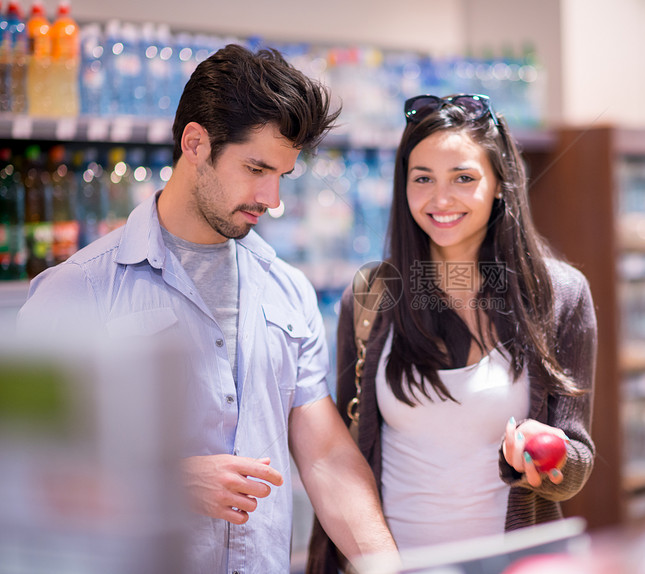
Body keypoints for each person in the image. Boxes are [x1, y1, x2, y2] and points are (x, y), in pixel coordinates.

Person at [17, 44, 396, 573]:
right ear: (195, 143)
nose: (272, 197)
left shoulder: (288, 289)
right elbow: (28, 476)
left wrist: (389, 567)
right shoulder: (76, 290)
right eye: (256, 168)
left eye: (282, 174)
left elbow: (326, 458)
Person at [307, 94, 597, 571]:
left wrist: (548, 454)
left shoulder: (559, 294)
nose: (441, 200)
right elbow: (345, 453)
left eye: (463, 178)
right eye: (423, 179)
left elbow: (577, 460)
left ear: (500, 183)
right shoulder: (371, 296)